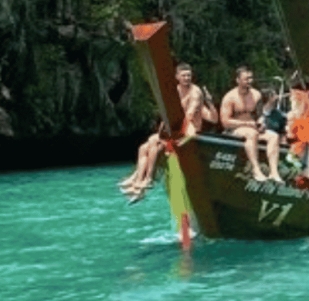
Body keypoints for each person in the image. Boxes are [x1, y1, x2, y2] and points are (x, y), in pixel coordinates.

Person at [119, 63, 207, 200]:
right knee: (144, 147)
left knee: (156, 144)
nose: (187, 78)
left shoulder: (195, 92)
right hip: (174, 128)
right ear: (177, 77)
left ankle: (147, 179)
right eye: (184, 75)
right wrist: (162, 131)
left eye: (189, 75)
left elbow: (189, 114)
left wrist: (171, 134)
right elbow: (168, 114)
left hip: (190, 129)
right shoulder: (175, 91)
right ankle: (137, 179)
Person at [220, 65, 281, 182]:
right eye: (246, 79)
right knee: (251, 134)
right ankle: (256, 169)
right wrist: (247, 124)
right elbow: (225, 122)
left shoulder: (256, 94)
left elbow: (260, 115)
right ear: (238, 80)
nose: (250, 81)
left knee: (274, 136)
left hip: (253, 127)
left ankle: (274, 172)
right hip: (235, 129)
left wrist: (261, 122)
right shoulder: (229, 97)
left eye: (251, 78)